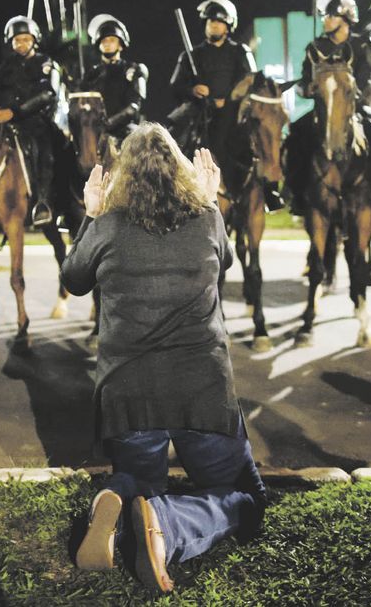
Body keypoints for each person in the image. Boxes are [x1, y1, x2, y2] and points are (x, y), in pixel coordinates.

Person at [61, 124, 267, 595]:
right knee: (247, 497)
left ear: (122, 177)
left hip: (129, 396)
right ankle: (168, 523)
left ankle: (121, 492)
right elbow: (228, 262)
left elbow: (74, 279)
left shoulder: (108, 226)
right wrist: (211, 201)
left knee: (143, 480)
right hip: (204, 393)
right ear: (181, 171)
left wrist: (91, 215)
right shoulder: (206, 219)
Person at [284, 0, 371, 218]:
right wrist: (306, 88)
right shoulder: (314, 48)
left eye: (330, 16)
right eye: (324, 17)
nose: (325, 21)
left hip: (357, 108)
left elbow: (368, 81)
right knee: (295, 135)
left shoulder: (365, 45)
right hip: (322, 110)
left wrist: (349, 96)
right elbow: (304, 79)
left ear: (345, 17)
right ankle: (297, 194)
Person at [168, 0, 283, 210]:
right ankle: (170, 190)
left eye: (219, 22)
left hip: (234, 112)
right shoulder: (192, 54)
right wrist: (192, 90)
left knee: (265, 138)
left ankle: (270, 188)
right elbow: (175, 86)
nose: (214, 26)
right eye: (210, 22)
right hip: (201, 112)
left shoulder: (241, 52)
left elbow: (251, 81)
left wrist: (228, 99)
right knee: (174, 137)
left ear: (228, 26)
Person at [0, 15, 60, 227]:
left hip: (36, 121)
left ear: (34, 40)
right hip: (8, 123)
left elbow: (48, 93)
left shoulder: (46, 63)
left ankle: (43, 202)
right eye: (17, 40)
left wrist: (16, 112)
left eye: (25, 39)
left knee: (43, 154)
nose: (21, 44)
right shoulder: (5, 67)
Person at [81, 14, 148, 143]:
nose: (107, 44)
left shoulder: (134, 69)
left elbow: (133, 106)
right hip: (95, 130)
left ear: (121, 44)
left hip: (125, 130)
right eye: (104, 41)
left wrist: (109, 123)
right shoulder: (91, 74)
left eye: (112, 40)